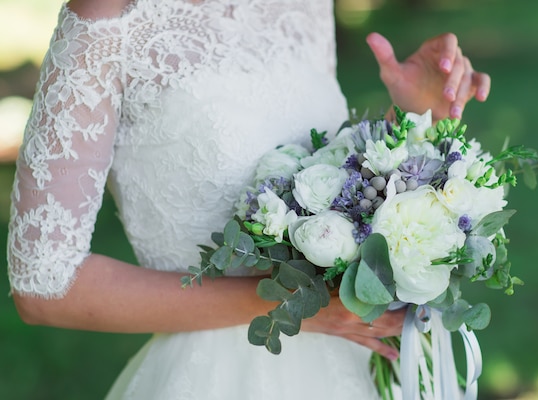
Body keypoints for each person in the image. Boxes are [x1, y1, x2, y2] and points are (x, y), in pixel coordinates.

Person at [7, 0, 490, 398]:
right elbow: (45, 283)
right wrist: (286, 304)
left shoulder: (306, 7)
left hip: (354, 364)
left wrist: (411, 115)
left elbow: (326, 182)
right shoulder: (107, 18)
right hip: (217, 375)